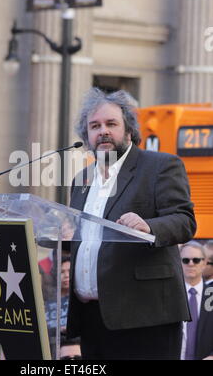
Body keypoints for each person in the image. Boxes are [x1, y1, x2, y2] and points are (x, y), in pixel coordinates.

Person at [66, 87, 196, 360]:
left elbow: (184, 221)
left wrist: (149, 226)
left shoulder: (160, 166)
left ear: (128, 130)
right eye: (95, 126)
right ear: (86, 136)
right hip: (93, 318)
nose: (103, 131)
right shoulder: (81, 180)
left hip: (145, 317)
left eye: (111, 124)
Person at [180, 241, 213, 360]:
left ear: (204, 263)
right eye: (185, 260)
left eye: (196, 260)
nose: (191, 264)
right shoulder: (169, 295)